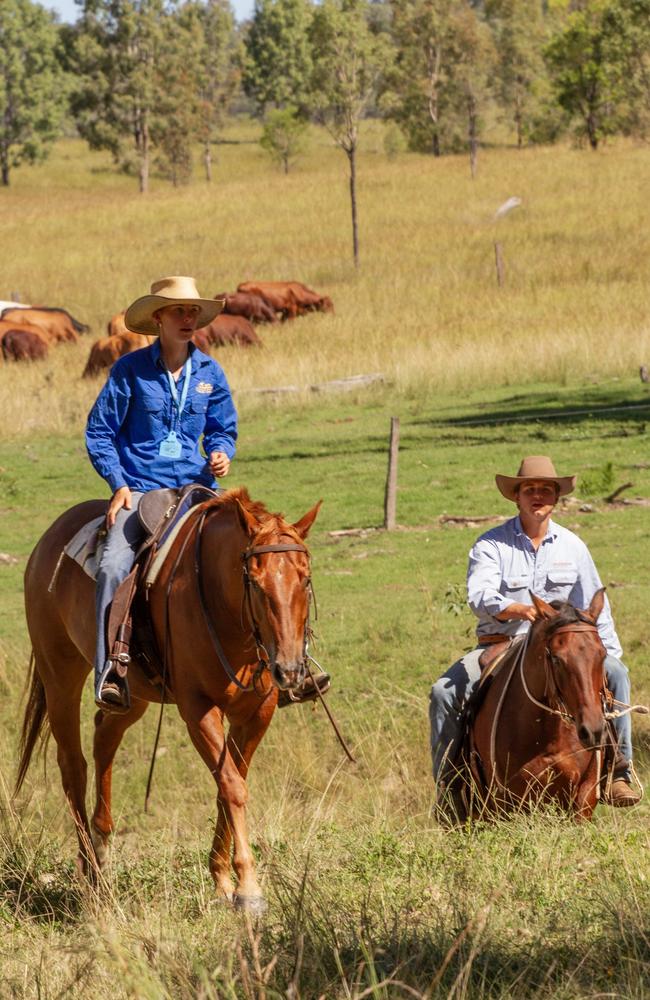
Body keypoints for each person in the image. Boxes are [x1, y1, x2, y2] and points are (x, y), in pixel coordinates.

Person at [429, 455, 640, 808]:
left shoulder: (574, 547)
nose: (538, 496)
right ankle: (451, 789)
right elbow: (480, 595)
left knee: (618, 675)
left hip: (564, 646)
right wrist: (520, 609)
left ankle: (620, 772)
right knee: (442, 694)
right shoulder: (491, 545)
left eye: (546, 490)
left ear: (556, 497)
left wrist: (607, 656)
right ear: (517, 497)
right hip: (502, 643)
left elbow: (593, 606)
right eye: (530, 489)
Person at [86, 276, 237, 711]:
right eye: (179, 312)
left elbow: (222, 429)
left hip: (196, 488)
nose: (188, 320)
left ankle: (279, 661)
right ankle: (109, 672)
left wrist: (222, 453)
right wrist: (118, 485)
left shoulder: (210, 372)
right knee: (113, 564)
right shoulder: (128, 371)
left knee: (253, 551)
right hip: (141, 490)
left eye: (193, 312)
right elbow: (99, 433)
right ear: (158, 319)